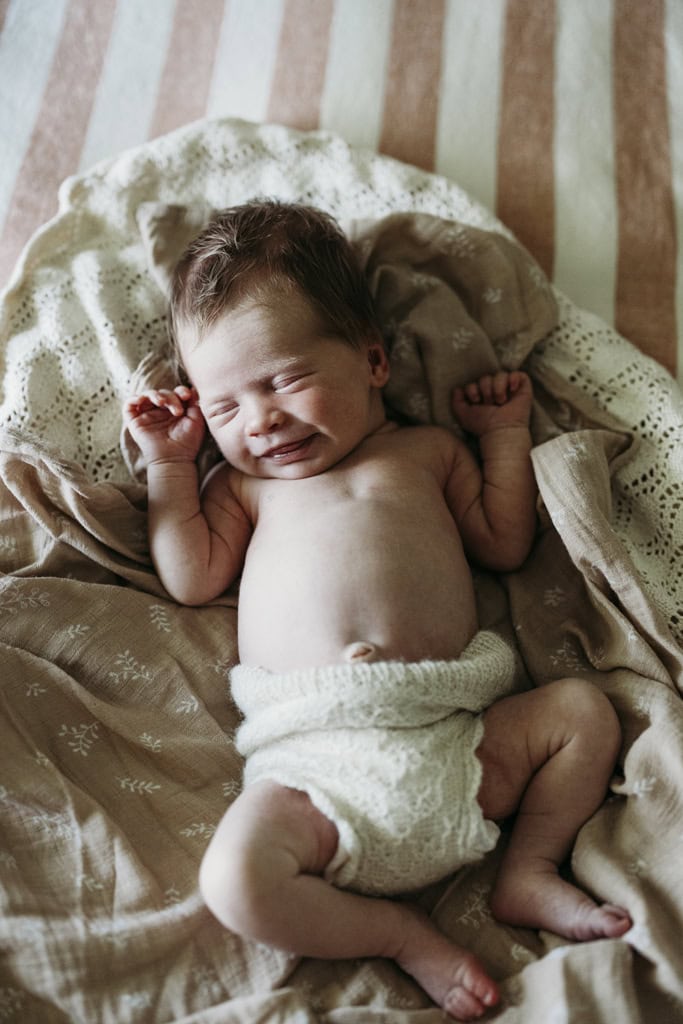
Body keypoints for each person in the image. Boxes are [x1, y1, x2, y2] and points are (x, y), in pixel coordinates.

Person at [124, 201, 632, 1021]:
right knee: (232, 882)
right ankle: (398, 936)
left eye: (285, 379)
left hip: (457, 744)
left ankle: (528, 869)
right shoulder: (243, 488)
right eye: (225, 408)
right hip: (314, 772)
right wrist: (170, 468)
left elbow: (503, 542)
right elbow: (191, 576)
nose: (261, 420)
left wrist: (501, 434)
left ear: (372, 360)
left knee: (580, 712)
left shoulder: (426, 453)